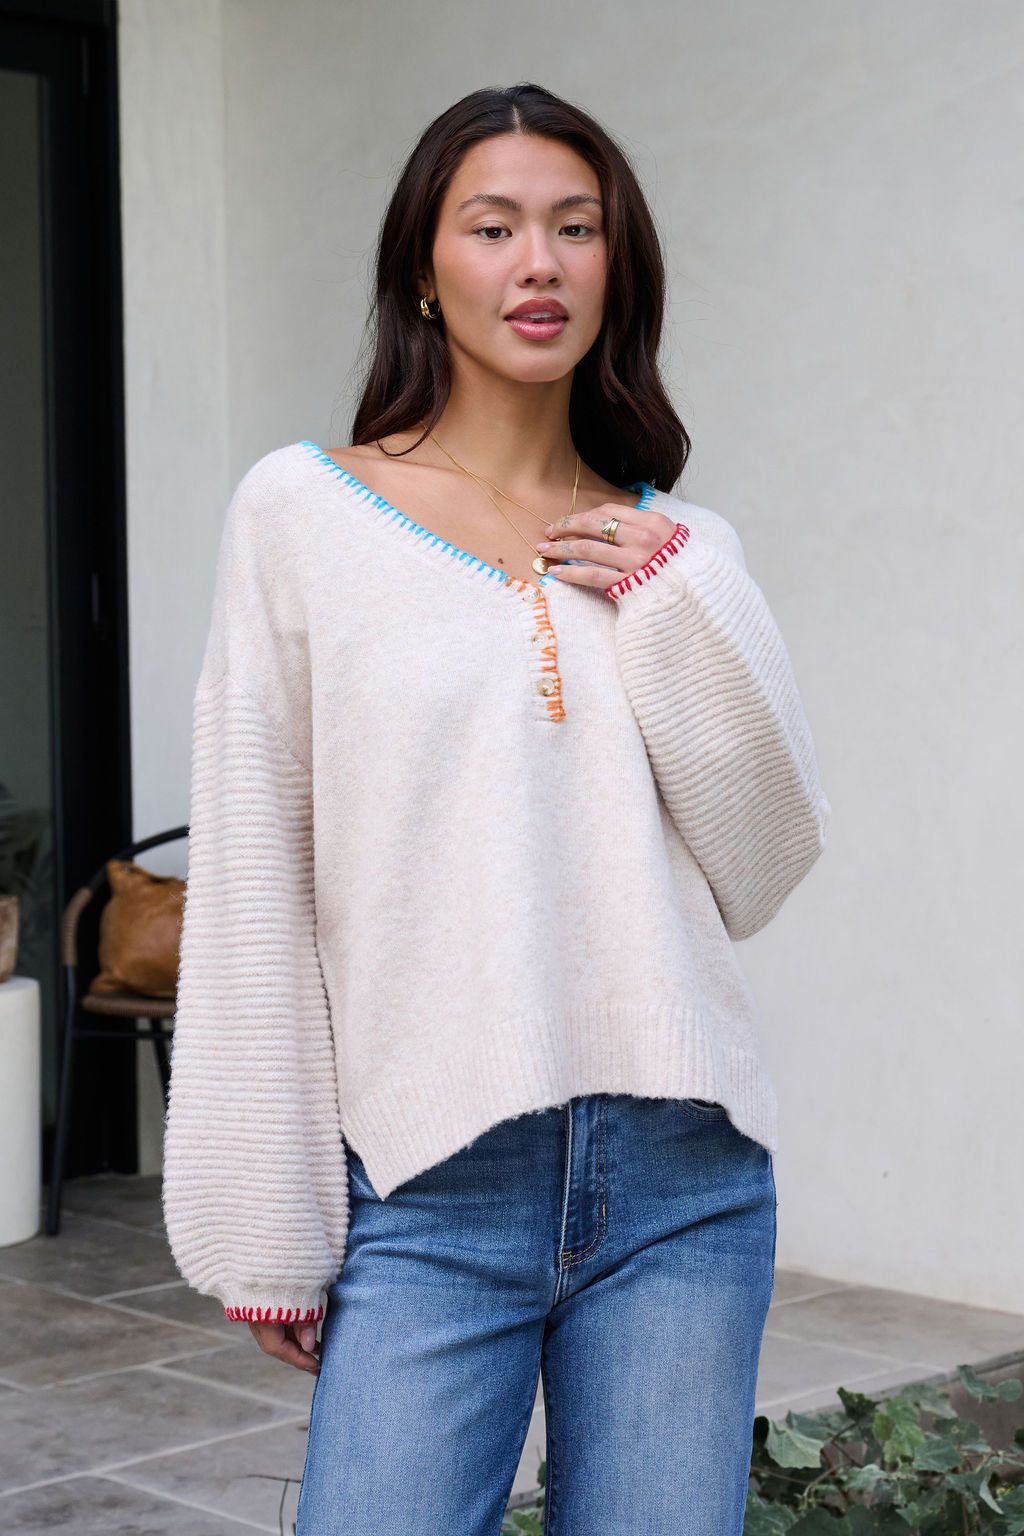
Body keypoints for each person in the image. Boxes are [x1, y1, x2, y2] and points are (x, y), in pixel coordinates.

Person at [163, 81, 832, 1536]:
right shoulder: (301, 513)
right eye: (495, 226)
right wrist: (268, 1214)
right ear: (425, 265)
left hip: (683, 1184)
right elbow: (257, 870)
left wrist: (675, 597)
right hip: (432, 1183)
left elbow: (765, 853)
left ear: (617, 267)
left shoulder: (683, 545)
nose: (540, 264)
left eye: (576, 228)